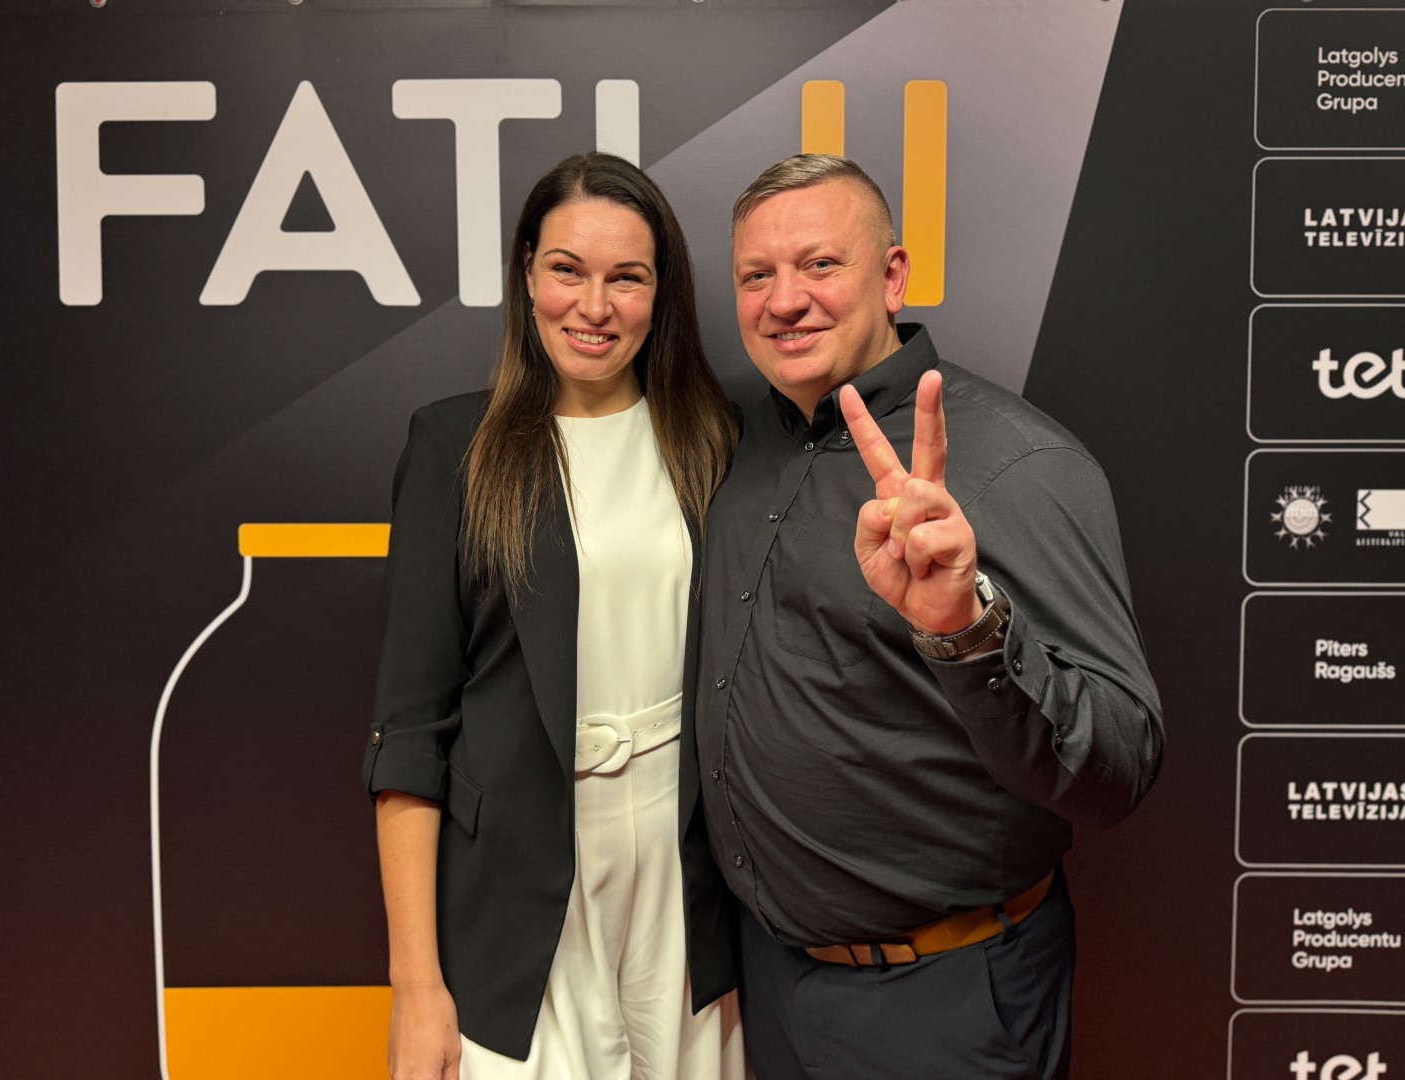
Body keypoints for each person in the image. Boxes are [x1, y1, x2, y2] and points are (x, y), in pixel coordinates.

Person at [696, 154, 1164, 1079]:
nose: (784, 300)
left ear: (893, 275)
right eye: (757, 275)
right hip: (769, 985)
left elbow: (1121, 767)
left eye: (820, 265)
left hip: (943, 1003)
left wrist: (966, 627)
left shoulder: (1015, 466)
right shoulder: (745, 443)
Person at [363, 152, 745, 1080]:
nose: (594, 306)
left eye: (628, 277)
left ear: (663, 294)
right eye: (567, 269)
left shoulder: (716, 440)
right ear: (527, 274)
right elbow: (410, 734)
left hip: (687, 885)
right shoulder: (455, 447)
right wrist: (416, 986)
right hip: (516, 896)